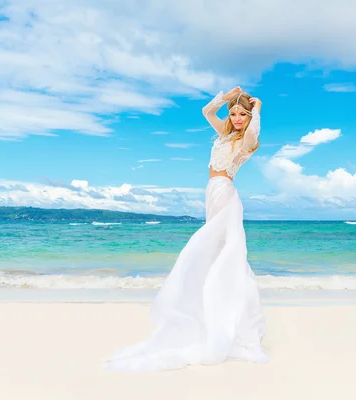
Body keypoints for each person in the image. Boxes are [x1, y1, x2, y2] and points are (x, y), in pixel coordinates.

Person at [102, 86, 268, 372]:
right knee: (214, 253)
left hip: (225, 193)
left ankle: (223, 315)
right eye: (234, 113)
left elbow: (253, 132)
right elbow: (206, 111)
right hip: (213, 193)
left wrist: (258, 110)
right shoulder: (224, 135)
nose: (238, 118)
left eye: (243, 114)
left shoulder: (246, 141)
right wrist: (225, 98)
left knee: (214, 253)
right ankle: (210, 311)